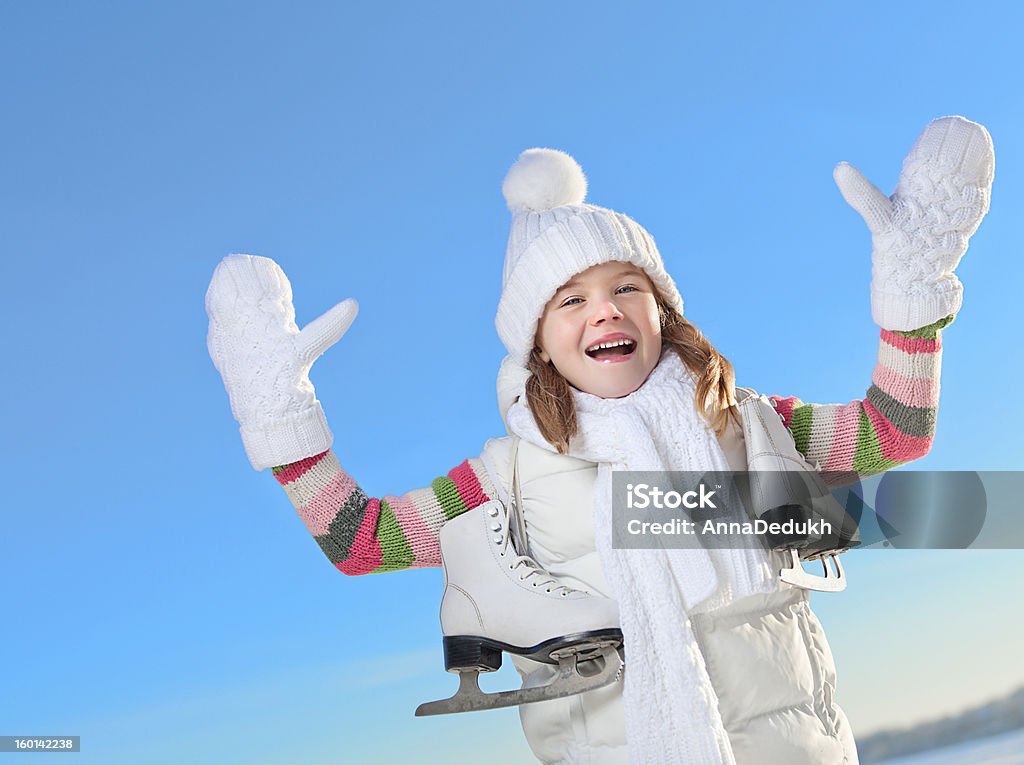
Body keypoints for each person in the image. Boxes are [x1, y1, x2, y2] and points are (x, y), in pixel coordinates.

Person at [206, 116, 994, 765]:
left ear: (663, 313)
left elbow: (896, 428)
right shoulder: (506, 479)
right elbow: (362, 539)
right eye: (571, 299)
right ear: (539, 343)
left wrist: (913, 300)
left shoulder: (748, 421)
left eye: (627, 287)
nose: (606, 309)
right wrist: (283, 421)